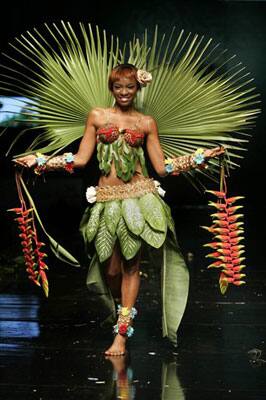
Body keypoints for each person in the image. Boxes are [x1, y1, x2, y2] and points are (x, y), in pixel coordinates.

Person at [14, 63, 224, 356]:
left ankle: (121, 336)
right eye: (118, 87)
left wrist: (200, 158)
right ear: (111, 88)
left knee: (130, 266)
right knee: (111, 270)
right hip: (107, 199)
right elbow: (81, 160)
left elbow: (162, 168)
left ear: (138, 88)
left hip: (140, 198)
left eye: (130, 87)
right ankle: (122, 307)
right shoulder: (98, 116)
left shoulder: (147, 122)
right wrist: (39, 161)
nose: (124, 92)